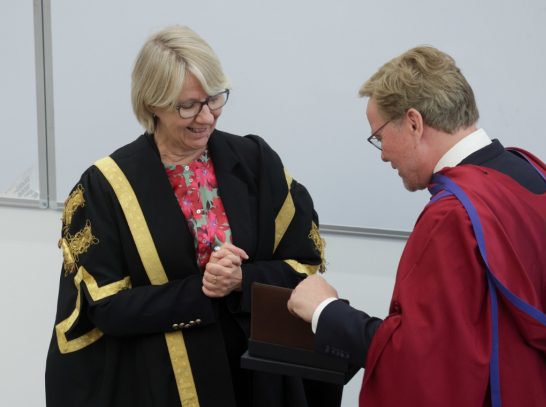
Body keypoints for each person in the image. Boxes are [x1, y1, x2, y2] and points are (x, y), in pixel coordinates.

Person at [45, 25, 341, 407]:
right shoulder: (105, 186)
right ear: (152, 104)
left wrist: (241, 279)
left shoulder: (254, 161)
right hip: (161, 382)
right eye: (187, 106)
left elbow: (304, 264)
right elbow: (107, 309)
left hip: (256, 377)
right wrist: (201, 290)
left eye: (214, 99)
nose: (206, 118)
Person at [288, 46, 546, 407]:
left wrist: (327, 312)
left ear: (414, 122)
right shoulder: (540, 180)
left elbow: (422, 364)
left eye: (380, 136)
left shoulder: (454, 216)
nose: (383, 153)